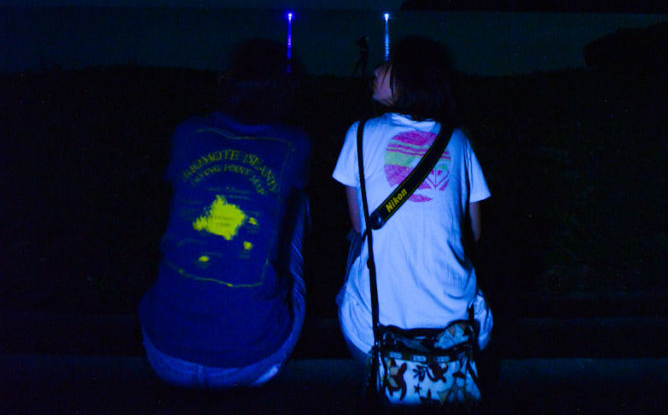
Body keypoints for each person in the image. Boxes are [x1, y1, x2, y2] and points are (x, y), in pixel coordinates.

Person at [139, 38, 311, 388]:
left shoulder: (189, 131)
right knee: (297, 207)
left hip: (164, 353)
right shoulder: (294, 143)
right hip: (251, 361)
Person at [332, 35, 492, 363]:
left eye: (389, 64)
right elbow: (473, 233)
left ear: (410, 77)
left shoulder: (360, 134)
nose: (376, 69)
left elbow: (362, 227)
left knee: (355, 252)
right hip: (463, 331)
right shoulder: (458, 140)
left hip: (376, 335)